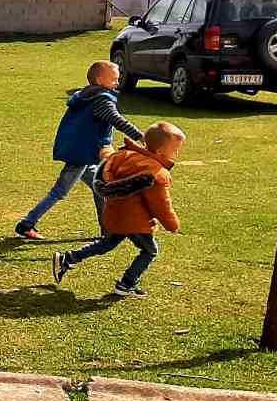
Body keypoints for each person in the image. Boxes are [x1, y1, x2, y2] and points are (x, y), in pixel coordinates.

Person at [52, 121, 185, 298]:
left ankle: (67, 258)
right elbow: (161, 204)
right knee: (150, 251)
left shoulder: (124, 156)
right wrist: (172, 224)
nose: (176, 153)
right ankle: (127, 283)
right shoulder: (155, 173)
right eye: (175, 149)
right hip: (136, 221)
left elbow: (106, 170)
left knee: (107, 243)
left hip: (114, 213)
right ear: (161, 151)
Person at [16, 60, 143, 241]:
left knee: (101, 188)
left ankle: (108, 230)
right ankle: (27, 223)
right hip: (83, 154)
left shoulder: (85, 95)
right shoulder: (101, 100)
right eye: (114, 80)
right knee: (60, 191)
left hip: (84, 152)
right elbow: (117, 120)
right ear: (100, 80)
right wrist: (140, 136)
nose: (117, 83)